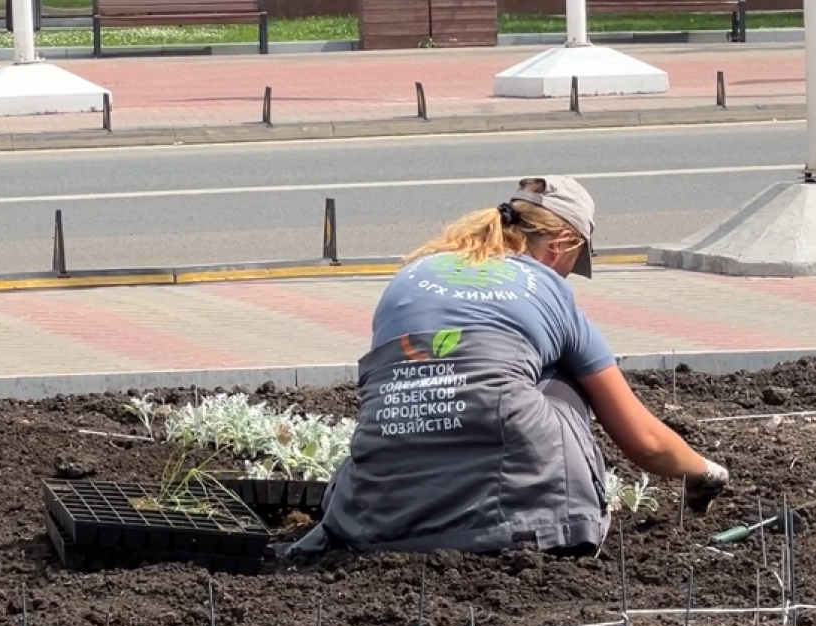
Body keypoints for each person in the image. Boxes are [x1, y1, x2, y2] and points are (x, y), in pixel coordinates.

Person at [293, 177, 733, 557]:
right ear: (559, 246)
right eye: (571, 263)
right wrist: (703, 471)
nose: (565, 275)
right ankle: (547, 519)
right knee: (561, 377)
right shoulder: (546, 287)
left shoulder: (412, 274)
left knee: (416, 373)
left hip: (376, 517)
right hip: (518, 530)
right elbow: (644, 441)